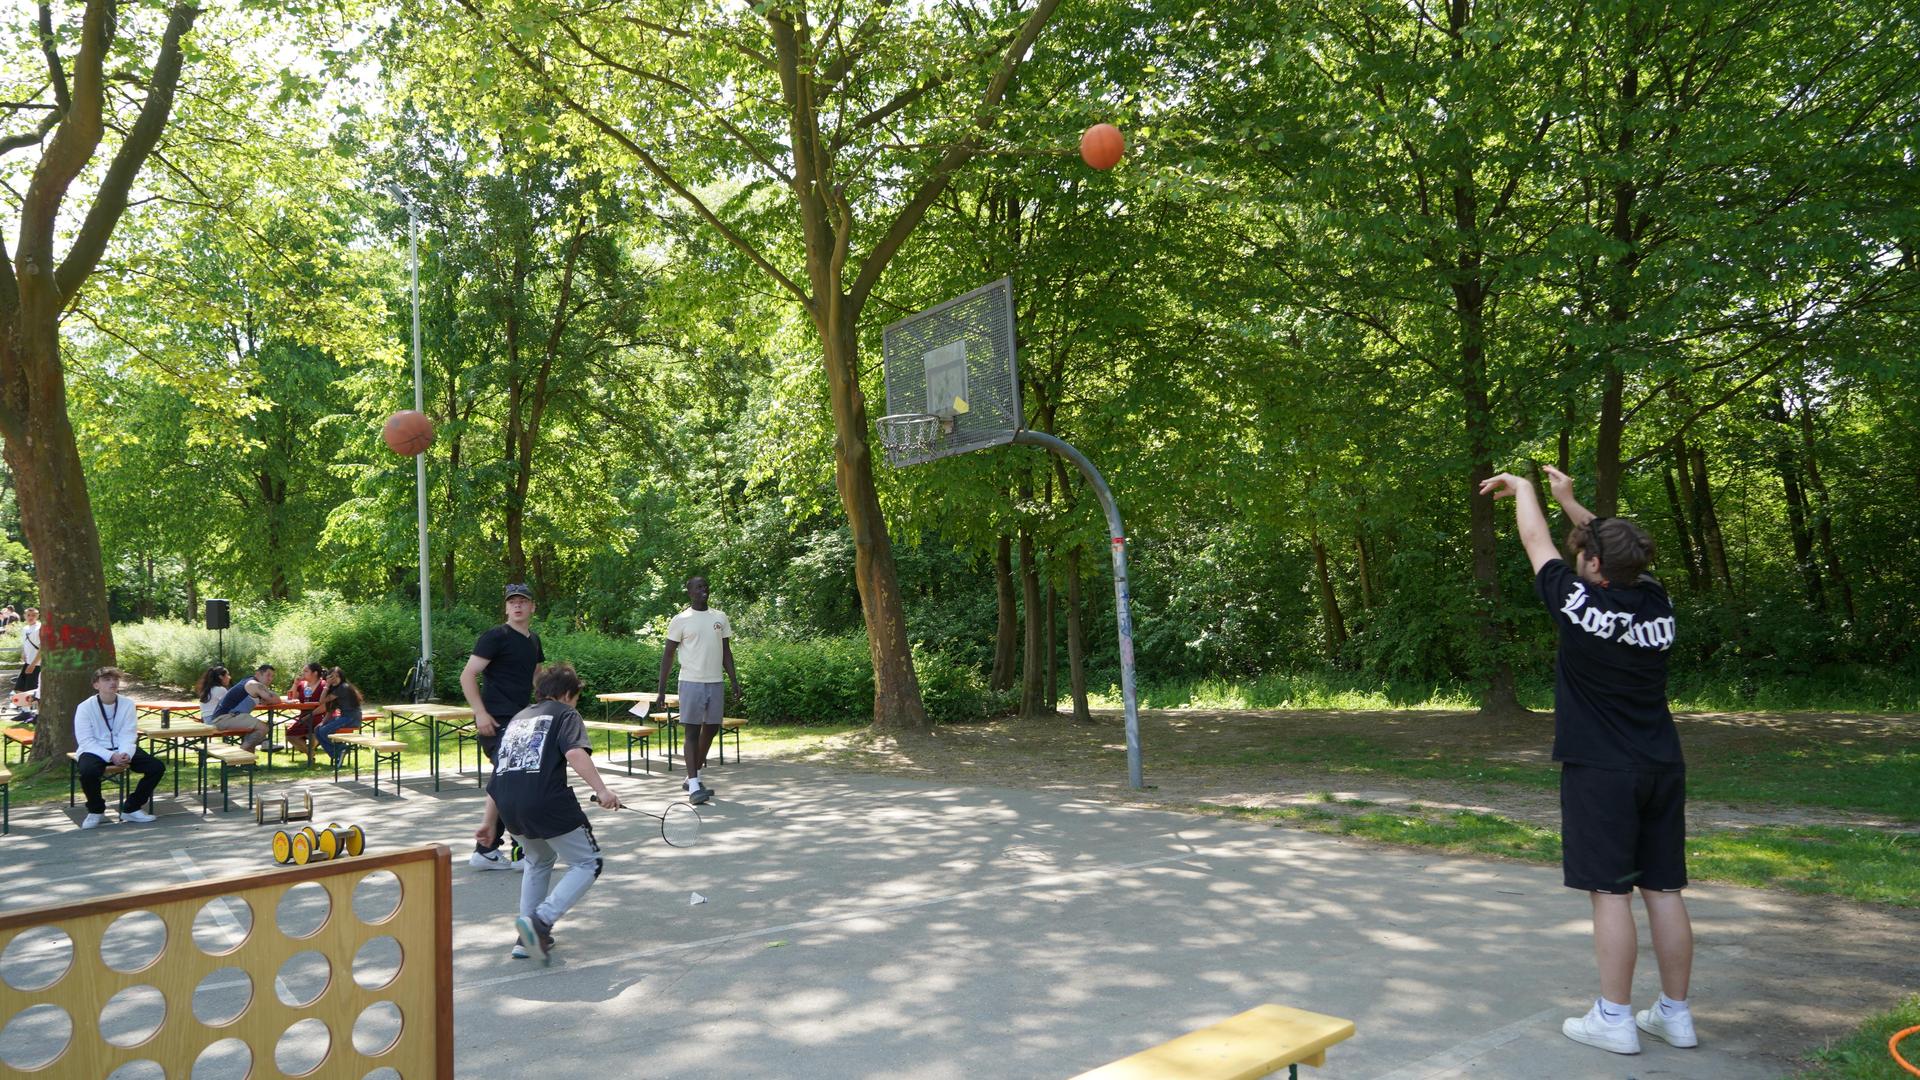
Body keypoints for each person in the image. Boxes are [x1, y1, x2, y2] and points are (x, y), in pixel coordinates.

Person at [1480, 464, 1696, 1056]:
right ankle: (1676, 1015)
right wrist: (1571, 501)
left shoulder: (1575, 601)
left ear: (1594, 566)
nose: (1580, 557)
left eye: (1588, 553)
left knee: (1610, 894)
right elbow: (1611, 547)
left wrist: (1526, 492)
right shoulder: (1656, 599)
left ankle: (1615, 1017)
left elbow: (1534, 541)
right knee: (1664, 890)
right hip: (1661, 765)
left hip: (1602, 770)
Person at [473, 662, 620, 964]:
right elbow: (575, 752)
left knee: (538, 859)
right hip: (545, 802)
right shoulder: (566, 714)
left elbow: (499, 772)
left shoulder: (518, 719)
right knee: (587, 863)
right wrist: (602, 790)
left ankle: (526, 938)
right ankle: (540, 921)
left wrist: (489, 822)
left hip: (508, 805)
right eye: (576, 697)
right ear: (567, 694)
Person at [460, 583, 545, 870]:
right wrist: (480, 713)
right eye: (512, 602)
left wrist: (549, 704)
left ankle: (488, 850)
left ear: (532, 607)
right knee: (510, 779)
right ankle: (517, 847)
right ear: (506, 608)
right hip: (496, 719)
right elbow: (468, 675)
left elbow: (537, 675)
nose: (518, 606)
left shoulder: (533, 640)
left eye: (523, 601)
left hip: (522, 721)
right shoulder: (496, 636)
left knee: (510, 778)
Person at [654, 575, 742, 805]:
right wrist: (661, 690)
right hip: (691, 682)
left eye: (706, 586)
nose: (704, 589)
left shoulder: (719, 617)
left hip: (715, 682)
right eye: (699, 587)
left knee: (711, 729)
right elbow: (668, 655)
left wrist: (733, 680)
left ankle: (691, 776)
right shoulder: (681, 619)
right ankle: (694, 785)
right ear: (690, 592)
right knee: (691, 732)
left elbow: (726, 652)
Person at [74, 667, 165, 829]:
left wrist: (125, 753)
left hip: (122, 747)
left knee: (156, 767)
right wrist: (111, 756)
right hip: (95, 749)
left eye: (115, 679)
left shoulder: (127, 704)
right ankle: (96, 810)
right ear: (96, 685)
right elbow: (86, 740)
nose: (113, 682)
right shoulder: (84, 707)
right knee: (88, 772)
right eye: (107, 680)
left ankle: (131, 808)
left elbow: (128, 733)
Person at [206, 663, 279, 751]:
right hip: (224, 718)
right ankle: (239, 756)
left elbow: (267, 700)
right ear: (258, 674)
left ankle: (248, 762)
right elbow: (275, 700)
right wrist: (270, 694)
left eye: (272, 676)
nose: (270, 679)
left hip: (230, 717)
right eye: (268, 675)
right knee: (263, 728)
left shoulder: (251, 682)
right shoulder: (253, 684)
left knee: (254, 731)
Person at [312, 667, 364, 764]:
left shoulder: (343, 687)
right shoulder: (335, 689)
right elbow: (330, 710)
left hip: (351, 718)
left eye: (337, 676)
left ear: (342, 678)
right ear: (328, 677)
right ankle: (338, 753)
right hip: (344, 717)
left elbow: (321, 701)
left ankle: (342, 749)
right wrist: (323, 722)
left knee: (323, 731)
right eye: (332, 676)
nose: (334, 679)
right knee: (317, 729)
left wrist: (327, 684)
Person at [285, 663, 330, 758]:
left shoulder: (324, 685)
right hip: (304, 715)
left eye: (306, 671)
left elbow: (326, 706)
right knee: (290, 735)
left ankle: (311, 751)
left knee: (315, 732)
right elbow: (292, 698)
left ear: (315, 673)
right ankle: (310, 753)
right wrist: (295, 684)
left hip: (320, 715)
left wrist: (311, 714)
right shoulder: (301, 685)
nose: (303, 673)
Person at [17, 607, 41, 693]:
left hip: (37, 665)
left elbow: (42, 648)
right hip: (28, 663)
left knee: (31, 692)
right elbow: (25, 643)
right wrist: (23, 652)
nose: (31, 617)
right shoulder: (25, 628)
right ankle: (24, 707)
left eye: (33, 615)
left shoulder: (39, 628)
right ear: (24, 616)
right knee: (20, 689)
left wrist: (33, 665)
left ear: (37, 616)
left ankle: (33, 707)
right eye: (28, 615)